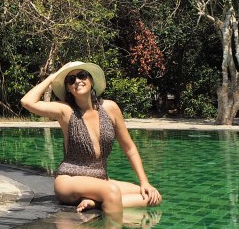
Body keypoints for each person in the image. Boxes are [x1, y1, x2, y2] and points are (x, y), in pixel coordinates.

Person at [20, 60, 161, 217]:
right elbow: (27, 101)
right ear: (68, 87)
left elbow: (130, 148)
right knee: (111, 191)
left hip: (101, 180)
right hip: (70, 179)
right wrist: (53, 77)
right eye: (71, 80)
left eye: (82, 75)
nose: (78, 81)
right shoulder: (65, 111)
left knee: (152, 196)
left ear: (91, 80)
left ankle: (97, 203)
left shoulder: (110, 108)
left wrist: (144, 181)